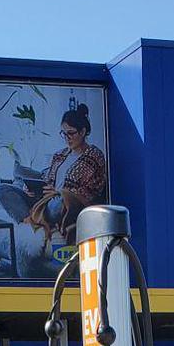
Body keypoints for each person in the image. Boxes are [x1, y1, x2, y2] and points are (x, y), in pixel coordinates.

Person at [24, 104, 109, 248]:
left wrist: (60, 193)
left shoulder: (95, 155)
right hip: (46, 200)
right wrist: (33, 188)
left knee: (58, 203)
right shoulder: (59, 155)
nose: (67, 138)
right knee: (5, 190)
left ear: (83, 132)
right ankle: (34, 218)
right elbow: (47, 180)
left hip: (68, 204)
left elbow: (93, 192)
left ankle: (38, 219)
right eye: (63, 133)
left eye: (71, 133)